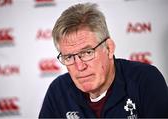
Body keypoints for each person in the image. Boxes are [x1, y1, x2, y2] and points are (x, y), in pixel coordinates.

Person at [39, 3, 168, 118]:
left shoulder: (145, 80)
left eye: (87, 52)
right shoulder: (58, 91)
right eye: (69, 57)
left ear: (109, 48)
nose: (79, 67)